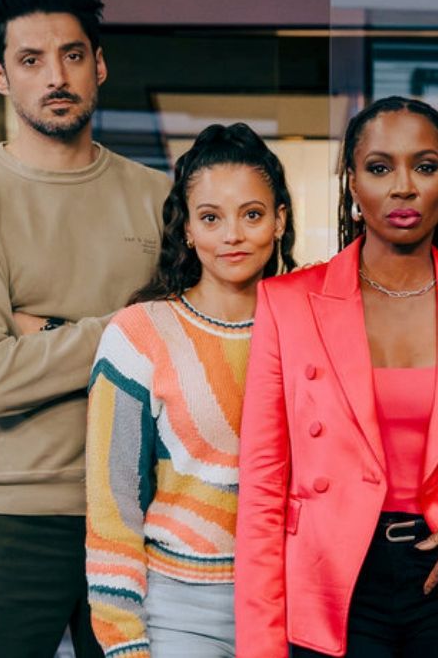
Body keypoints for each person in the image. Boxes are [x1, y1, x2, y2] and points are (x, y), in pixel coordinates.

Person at [235, 96, 438, 657]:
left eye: (424, 167)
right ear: (352, 184)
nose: (403, 186)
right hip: (333, 583)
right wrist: (260, 646)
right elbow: (262, 488)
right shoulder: (287, 304)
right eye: (380, 168)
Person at [0, 0, 169, 657]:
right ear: (1, 76)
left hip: (137, 514)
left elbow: (188, 345)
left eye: (73, 55)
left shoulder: (161, 197)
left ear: (99, 64)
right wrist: (128, 329)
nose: (55, 76)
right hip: (4, 520)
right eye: (31, 60)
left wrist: (44, 331)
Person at [85, 123, 296, 656]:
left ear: (279, 222)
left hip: (293, 601)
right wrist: (123, 639)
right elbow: (113, 506)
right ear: (186, 229)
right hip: (181, 609)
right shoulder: (140, 334)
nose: (233, 235)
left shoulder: (307, 327)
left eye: (252, 214)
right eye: (210, 218)